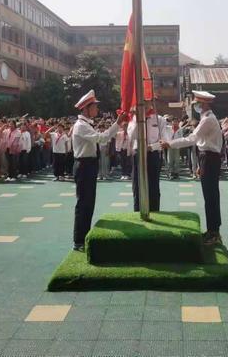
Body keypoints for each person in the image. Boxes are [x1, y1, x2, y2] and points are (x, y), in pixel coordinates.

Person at [161, 90, 223, 245]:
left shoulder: (208, 120)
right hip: (206, 158)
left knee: (211, 197)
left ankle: (214, 232)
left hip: (209, 158)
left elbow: (193, 138)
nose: (195, 107)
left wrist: (171, 143)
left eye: (197, 104)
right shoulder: (206, 118)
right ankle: (212, 230)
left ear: (204, 104)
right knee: (210, 196)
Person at [71, 90, 124, 251]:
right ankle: (79, 240)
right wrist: (117, 123)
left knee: (88, 202)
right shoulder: (81, 126)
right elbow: (101, 138)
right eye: (94, 106)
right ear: (86, 108)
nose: (97, 109)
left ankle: (84, 236)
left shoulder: (86, 124)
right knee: (84, 203)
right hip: (84, 165)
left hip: (89, 165)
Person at [128, 99, 168, 212]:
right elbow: (132, 136)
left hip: (153, 154)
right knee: (137, 185)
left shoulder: (159, 119)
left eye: (147, 102)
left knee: (153, 186)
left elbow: (164, 139)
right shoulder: (133, 119)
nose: (144, 104)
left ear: (151, 103)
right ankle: (138, 211)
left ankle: (155, 211)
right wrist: (137, 119)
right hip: (138, 154)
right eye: (142, 102)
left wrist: (152, 147)